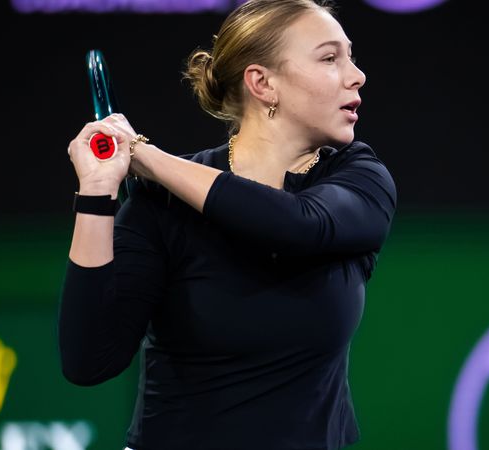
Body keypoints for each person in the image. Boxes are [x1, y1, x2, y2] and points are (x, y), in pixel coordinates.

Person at [57, 0, 397, 448]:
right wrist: (97, 193)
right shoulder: (160, 203)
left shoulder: (359, 176)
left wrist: (145, 155)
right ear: (262, 83)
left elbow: (298, 226)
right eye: (330, 57)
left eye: (350, 56)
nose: (357, 74)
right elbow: (89, 361)